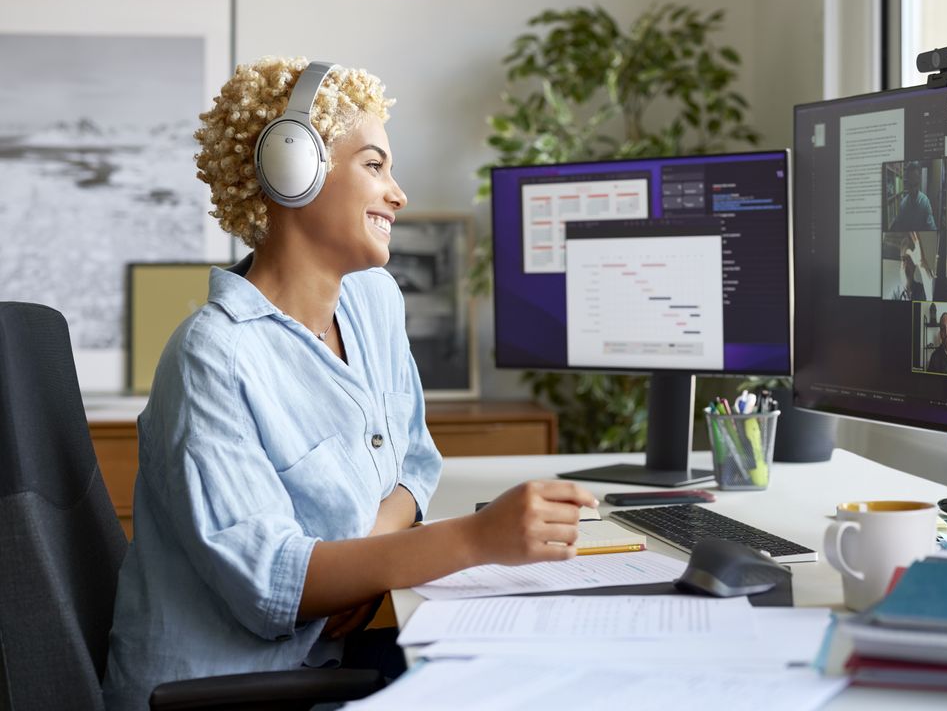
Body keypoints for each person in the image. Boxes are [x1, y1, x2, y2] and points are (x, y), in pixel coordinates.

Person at [102, 57, 596, 710]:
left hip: (330, 658)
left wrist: (362, 562)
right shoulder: (213, 356)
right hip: (222, 691)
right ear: (292, 169)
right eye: (375, 165)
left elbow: (414, 461)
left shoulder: (373, 300)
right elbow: (271, 583)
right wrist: (476, 540)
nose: (399, 193)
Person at [889, 161, 936, 233]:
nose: (913, 190)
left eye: (916, 185)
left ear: (919, 181)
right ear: (907, 184)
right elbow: (898, 227)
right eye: (910, 186)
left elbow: (932, 228)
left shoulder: (925, 202)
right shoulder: (903, 205)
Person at [888, 230, 934, 301]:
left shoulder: (923, 290)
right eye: (903, 259)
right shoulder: (894, 294)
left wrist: (922, 266)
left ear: (914, 266)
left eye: (909, 260)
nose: (906, 264)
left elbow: (933, 298)